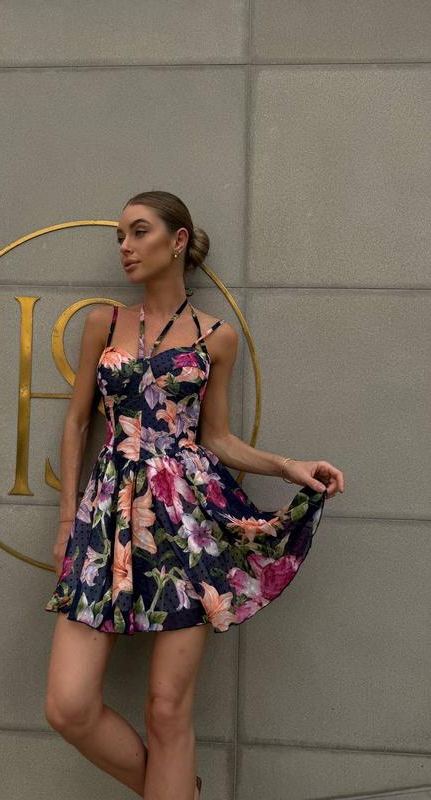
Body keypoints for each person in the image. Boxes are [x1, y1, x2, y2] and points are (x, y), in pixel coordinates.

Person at [43, 190, 344, 800]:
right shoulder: (104, 324)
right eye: (120, 236)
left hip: (188, 524)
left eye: (139, 231)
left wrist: (288, 466)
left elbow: (218, 439)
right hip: (107, 520)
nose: (125, 246)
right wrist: (67, 519)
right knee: (68, 706)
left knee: (166, 708)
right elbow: (76, 423)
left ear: (177, 240)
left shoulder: (217, 337)